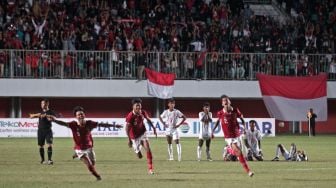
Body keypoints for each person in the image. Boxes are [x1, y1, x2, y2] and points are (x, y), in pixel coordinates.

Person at [47, 106, 123, 180]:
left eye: (82, 114)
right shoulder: (73, 124)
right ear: (76, 117)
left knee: (92, 163)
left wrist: (114, 125)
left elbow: (101, 124)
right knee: (89, 165)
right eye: (78, 114)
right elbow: (63, 123)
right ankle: (98, 177)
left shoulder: (90, 123)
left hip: (89, 148)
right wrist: (54, 120)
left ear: (84, 115)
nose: (80, 115)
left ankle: (79, 157)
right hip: (79, 149)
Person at [212, 94, 254, 177]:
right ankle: (248, 171)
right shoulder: (220, 113)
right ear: (222, 104)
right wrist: (213, 131)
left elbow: (242, 119)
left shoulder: (235, 110)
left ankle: (228, 150)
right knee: (239, 152)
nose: (226, 101)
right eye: (224, 100)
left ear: (230, 102)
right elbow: (218, 121)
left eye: (227, 100)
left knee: (237, 155)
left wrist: (245, 128)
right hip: (229, 137)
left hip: (237, 135)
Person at [125, 98, 157, 175]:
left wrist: (154, 128)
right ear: (133, 106)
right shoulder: (130, 116)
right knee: (139, 156)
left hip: (143, 133)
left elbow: (148, 120)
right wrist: (129, 140)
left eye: (139, 105)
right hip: (134, 137)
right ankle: (138, 151)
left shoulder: (143, 112)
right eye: (137, 106)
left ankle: (150, 169)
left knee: (148, 149)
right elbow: (127, 129)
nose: (138, 107)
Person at [29, 99, 57, 165]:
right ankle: (43, 160)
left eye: (43, 103)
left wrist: (47, 116)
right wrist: (35, 115)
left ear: (47, 104)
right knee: (41, 146)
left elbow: (54, 118)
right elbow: (31, 116)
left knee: (49, 144)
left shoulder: (50, 112)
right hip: (40, 131)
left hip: (48, 131)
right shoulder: (40, 112)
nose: (42, 105)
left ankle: (50, 160)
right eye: (41, 104)